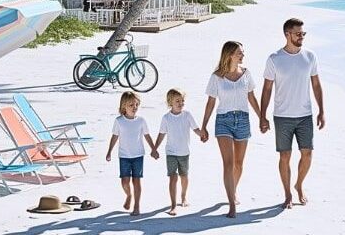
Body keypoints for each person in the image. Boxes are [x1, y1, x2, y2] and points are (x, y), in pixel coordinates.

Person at [259, 18, 326, 209]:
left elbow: (316, 84)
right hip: (282, 116)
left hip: (305, 115)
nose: (301, 37)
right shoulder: (275, 59)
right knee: (284, 156)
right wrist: (262, 116)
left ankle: (299, 185)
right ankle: (288, 193)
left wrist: (321, 110)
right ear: (287, 34)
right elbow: (266, 89)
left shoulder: (310, 57)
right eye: (298, 34)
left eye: (303, 34)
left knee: (307, 154)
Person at [200, 41, 261, 218]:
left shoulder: (247, 74)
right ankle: (232, 204)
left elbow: (251, 97)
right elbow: (210, 103)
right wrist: (204, 126)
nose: (243, 55)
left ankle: (233, 190)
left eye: (243, 52)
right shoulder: (217, 76)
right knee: (228, 163)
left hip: (243, 119)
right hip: (223, 121)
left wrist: (261, 117)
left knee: (238, 164)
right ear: (230, 55)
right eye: (239, 53)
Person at [153, 88, 205, 216]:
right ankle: (173, 205)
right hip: (170, 152)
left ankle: (183, 196)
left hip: (184, 152)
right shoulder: (166, 118)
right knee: (172, 177)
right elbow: (161, 134)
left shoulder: (187, 115)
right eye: (178, 101)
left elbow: (196, 129)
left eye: (182, 101)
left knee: (184, 176)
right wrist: (155, 148)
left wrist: (202, 135)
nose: (181, 103)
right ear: (170, 102)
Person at [105, 91, 158, 216]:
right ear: (124, 106)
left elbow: (147, 135)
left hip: (138, 155)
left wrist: (153, 149)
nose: (134, 107)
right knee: (124, 182)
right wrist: (109, 152)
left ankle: (137, 206)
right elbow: (114, 137)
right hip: (124, 156)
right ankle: (129, 195)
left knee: (136, 181)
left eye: (136, 105)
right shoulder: (119, 121)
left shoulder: (141, 121)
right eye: (131, 105)